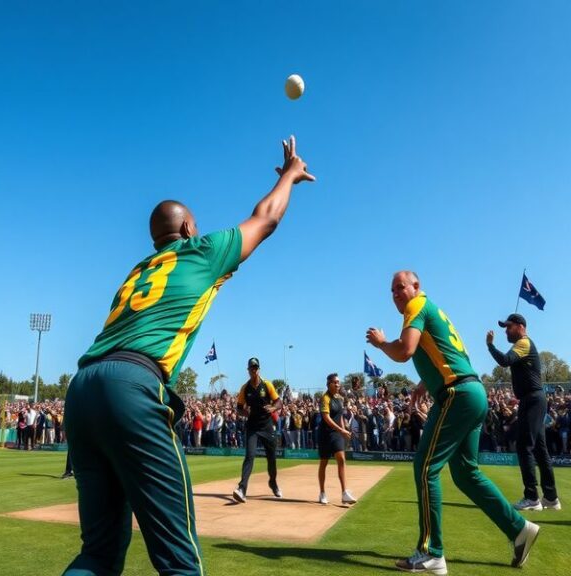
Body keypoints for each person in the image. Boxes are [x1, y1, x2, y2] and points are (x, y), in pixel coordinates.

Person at [63, 136, 315, 576]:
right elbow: (266, 218)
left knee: (98, 553)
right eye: (195, 224)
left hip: (83, 388)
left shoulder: (138, 269)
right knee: (180, 561)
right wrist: (291, 174)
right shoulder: (200, 252)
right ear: (185, 231)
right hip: (133, 385)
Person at [367, 271, 539, 573]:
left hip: (456, 395)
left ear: (416, 287)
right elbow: (446, 351)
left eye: (400, 287)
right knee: (465, 474)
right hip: (472, 391)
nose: (396, 294)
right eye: (392, 290)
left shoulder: (416, 306)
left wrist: (382, 343)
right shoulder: (433, 310)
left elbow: (405, 350)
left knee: (424, 467)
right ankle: (519, 529)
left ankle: (432, 553)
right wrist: (424, 382)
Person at [487, 313, 561, 511]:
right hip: (533, 398)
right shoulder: (522, 344)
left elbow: (505, 360)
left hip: (533, 399)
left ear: (520, 326)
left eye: (509, 326)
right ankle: (551, 498)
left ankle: (532, 498)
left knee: (523, 446)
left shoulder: (523, 343)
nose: (505, 331)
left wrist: (490, 345)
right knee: (539, 448)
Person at [232, 357, 283, 503]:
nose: (253, 370)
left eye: (256, 368)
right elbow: (239, 408)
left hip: (267, 426)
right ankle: (242, 489)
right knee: (250, 456)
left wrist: (273, 407)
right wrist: (245, 413)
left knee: (271, 458)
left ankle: (273, 483)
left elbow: (278, 401)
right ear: (248, 371)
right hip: (252, 426)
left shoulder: (267, 384)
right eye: (251, 368)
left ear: (259, 369)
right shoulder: (245, 388)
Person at [316, 373, 357, 505]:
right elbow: (326, 418)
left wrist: (344, 430)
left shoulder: (339, 398)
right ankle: (322, 492)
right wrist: (341, 430)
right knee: (324, 463)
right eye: (335, 382)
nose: (338, 384)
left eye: (338, 382)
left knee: (341, 460)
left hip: (337, 434)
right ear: (329, 384)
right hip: (325, 434)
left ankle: (344, 493)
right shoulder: (325, 398)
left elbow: (339, 416)